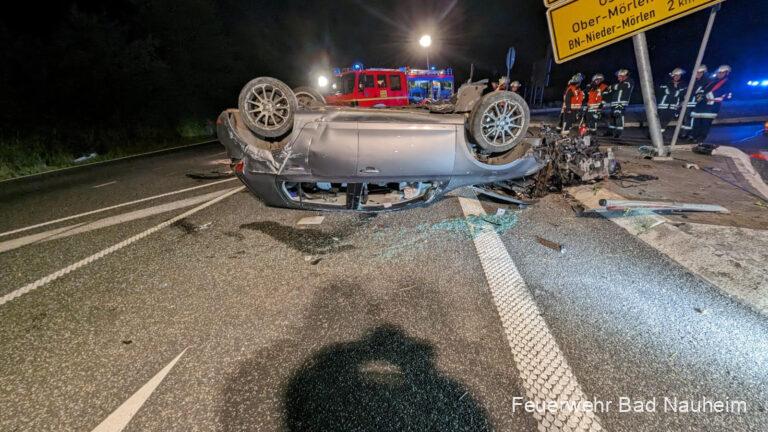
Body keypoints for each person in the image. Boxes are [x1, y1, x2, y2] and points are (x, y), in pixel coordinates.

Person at [691, 65, 732, 152]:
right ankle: (694, 138)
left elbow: (725, 94)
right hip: (701, 106)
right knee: (697, 123)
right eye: (719, 72)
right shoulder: (712, 81)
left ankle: (700, 140)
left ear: (726, 73)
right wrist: (699, 95)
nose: (719, 74)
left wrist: (706, 96)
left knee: (705, 124)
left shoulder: (727, 83)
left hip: (711, 107)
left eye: (722, 73)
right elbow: (703, 89)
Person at [680, 65, 710, 139]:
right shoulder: (694, 81)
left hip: (696, 104)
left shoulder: (706, 82)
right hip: (689, 103)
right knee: (686, 119)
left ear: (704, 73)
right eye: (697, 72)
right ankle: (685, 133)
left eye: (700, 73)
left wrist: (698, 102)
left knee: (693, 120)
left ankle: (691, 134)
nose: (698, 74)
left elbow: (702, 94)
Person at [603, 69, 633, 138]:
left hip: (621, 103)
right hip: (615, 103)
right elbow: (614, 91)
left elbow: (621, 86)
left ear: (624, 76)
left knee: (618, 115)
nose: (618, 78)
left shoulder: (629, 82)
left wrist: (612, 87)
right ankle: (610, 131)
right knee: (613, 117)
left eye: (619, 76)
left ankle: (618, 133)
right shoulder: (620, 83)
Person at [656, 68, 686, 134]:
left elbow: (682, 95)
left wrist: (681, 103)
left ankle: (660, 134)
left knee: (666, 122)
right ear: (672, 76)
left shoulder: (682, 85)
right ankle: (653, 134)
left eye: (679, 75)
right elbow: (664, 92)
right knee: (659, 121)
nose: (677, 77)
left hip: (673, 107)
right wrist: (674, 86)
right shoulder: (666, 83)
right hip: (663, 106)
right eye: (676, 75)